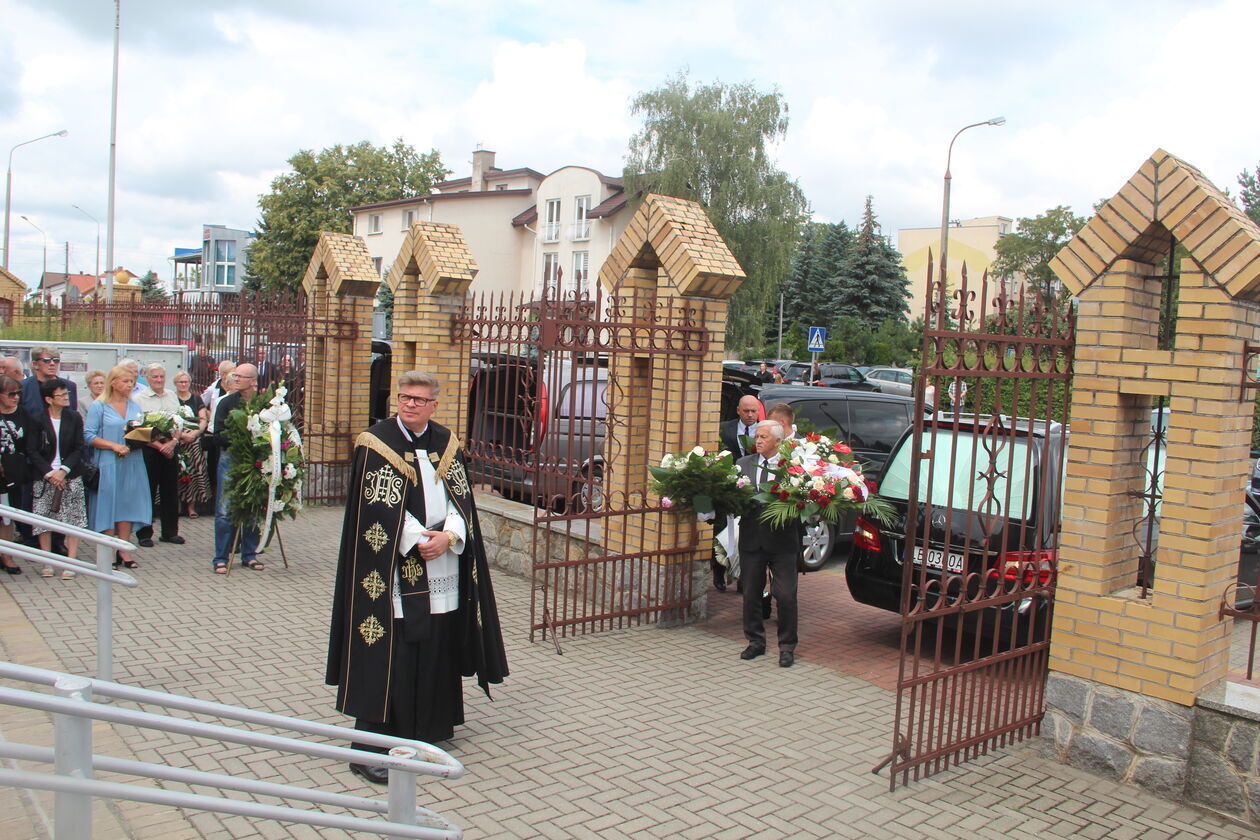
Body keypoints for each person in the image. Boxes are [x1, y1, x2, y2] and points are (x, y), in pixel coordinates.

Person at [326, 370, 508, 785]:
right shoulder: (376, 443)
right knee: (393, 650)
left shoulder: (447, 443)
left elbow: (463, 500)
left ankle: (430, 732)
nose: (409, 404)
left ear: (433, 405)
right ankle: (371, 748)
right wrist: (416, 538)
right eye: (404, 397)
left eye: (418, 399)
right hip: (394, 562)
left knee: (437, 642)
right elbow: (373, 507)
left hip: (442, 559)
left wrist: (450, 536)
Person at [736, 420, 802, 668]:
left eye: (764, 437)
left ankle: (787, 646)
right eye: (757, 436)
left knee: (785, 596)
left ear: (777, 441)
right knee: (751, 595)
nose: (759, 440)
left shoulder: (792, 469)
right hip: (752, 540)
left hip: (783, 542)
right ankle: (755, 642)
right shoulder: (743, 465)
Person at [84, 365, 149, 570]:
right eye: (125, 381)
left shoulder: (135, 406)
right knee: (108, 504)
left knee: (127, 503)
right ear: (113, 382)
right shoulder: (99, 406)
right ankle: (108, 550)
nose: (129, 385)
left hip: (132, 461)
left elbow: (138, 432)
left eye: (131, 381)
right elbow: (88, 435)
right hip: (108, 461)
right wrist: (113, 445)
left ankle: (124, 549)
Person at [29, 377, 87, 578]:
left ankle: (70, 561)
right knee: (43, 519)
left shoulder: (74, 417)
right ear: (48, 399)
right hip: (45, 476)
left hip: (70, 474)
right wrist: (50, 473)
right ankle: (47, 561)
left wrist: (64, 470)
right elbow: (32, 450)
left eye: (66, 394)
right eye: (60, 395)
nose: (65, 397)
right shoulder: (37, 419)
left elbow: (79, 447)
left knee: (73, 519)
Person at [210, 363, 262, 574]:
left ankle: (250, 554)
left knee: (253, 506)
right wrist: (241, 436)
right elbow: (217, 435)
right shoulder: (226, 403)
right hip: (231, 458)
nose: (236, 379)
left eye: (241, 376)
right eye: (235, 375)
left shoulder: (263, 403)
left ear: (253, 381)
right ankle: (221, 557)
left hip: (255, 459)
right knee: (225, 509)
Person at [134, 363, 184, 547]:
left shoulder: (172, 395)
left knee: (170, 491)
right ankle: (144, 533)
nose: (159, 380)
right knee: (148, 490)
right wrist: (158, 445)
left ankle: (170, 532)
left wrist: (173, 442)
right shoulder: (140, 398)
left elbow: (179, 422)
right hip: (151, 449)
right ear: (147, 378)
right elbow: (138, 429)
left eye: (162, 376)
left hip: (171, 447)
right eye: (155, 377)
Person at [0, 375, 33, 574]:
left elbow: (30, 442)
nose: (15, 398)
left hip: (12, 473)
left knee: (7, 515)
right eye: (10, 394)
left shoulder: (23, 414)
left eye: (18, 394)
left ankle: (7, 555)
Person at [173, 371, 211, 518]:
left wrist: (194, 434)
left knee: (195, 471)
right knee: (176, 472)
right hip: (178, 440)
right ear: (175, 383)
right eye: (180, 382)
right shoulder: (172, 399)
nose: (183, 385)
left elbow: (203, 420)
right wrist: (181, 435)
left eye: (186, 382)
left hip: (193, 441)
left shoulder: (196, 399)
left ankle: (191, 506)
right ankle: (176, 504)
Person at [201, 360, 235, 499]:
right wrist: (208, 414)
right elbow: (202, 402)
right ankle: (216, 495)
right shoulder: (214, 388)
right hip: (217, 430)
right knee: (215, 464)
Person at [21, 345, 78, 419]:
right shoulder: (22, 387)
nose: (52, 363)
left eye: (56, 360)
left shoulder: (69, 386)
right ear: (35, 364)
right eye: (46, 360)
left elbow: (72, 414)